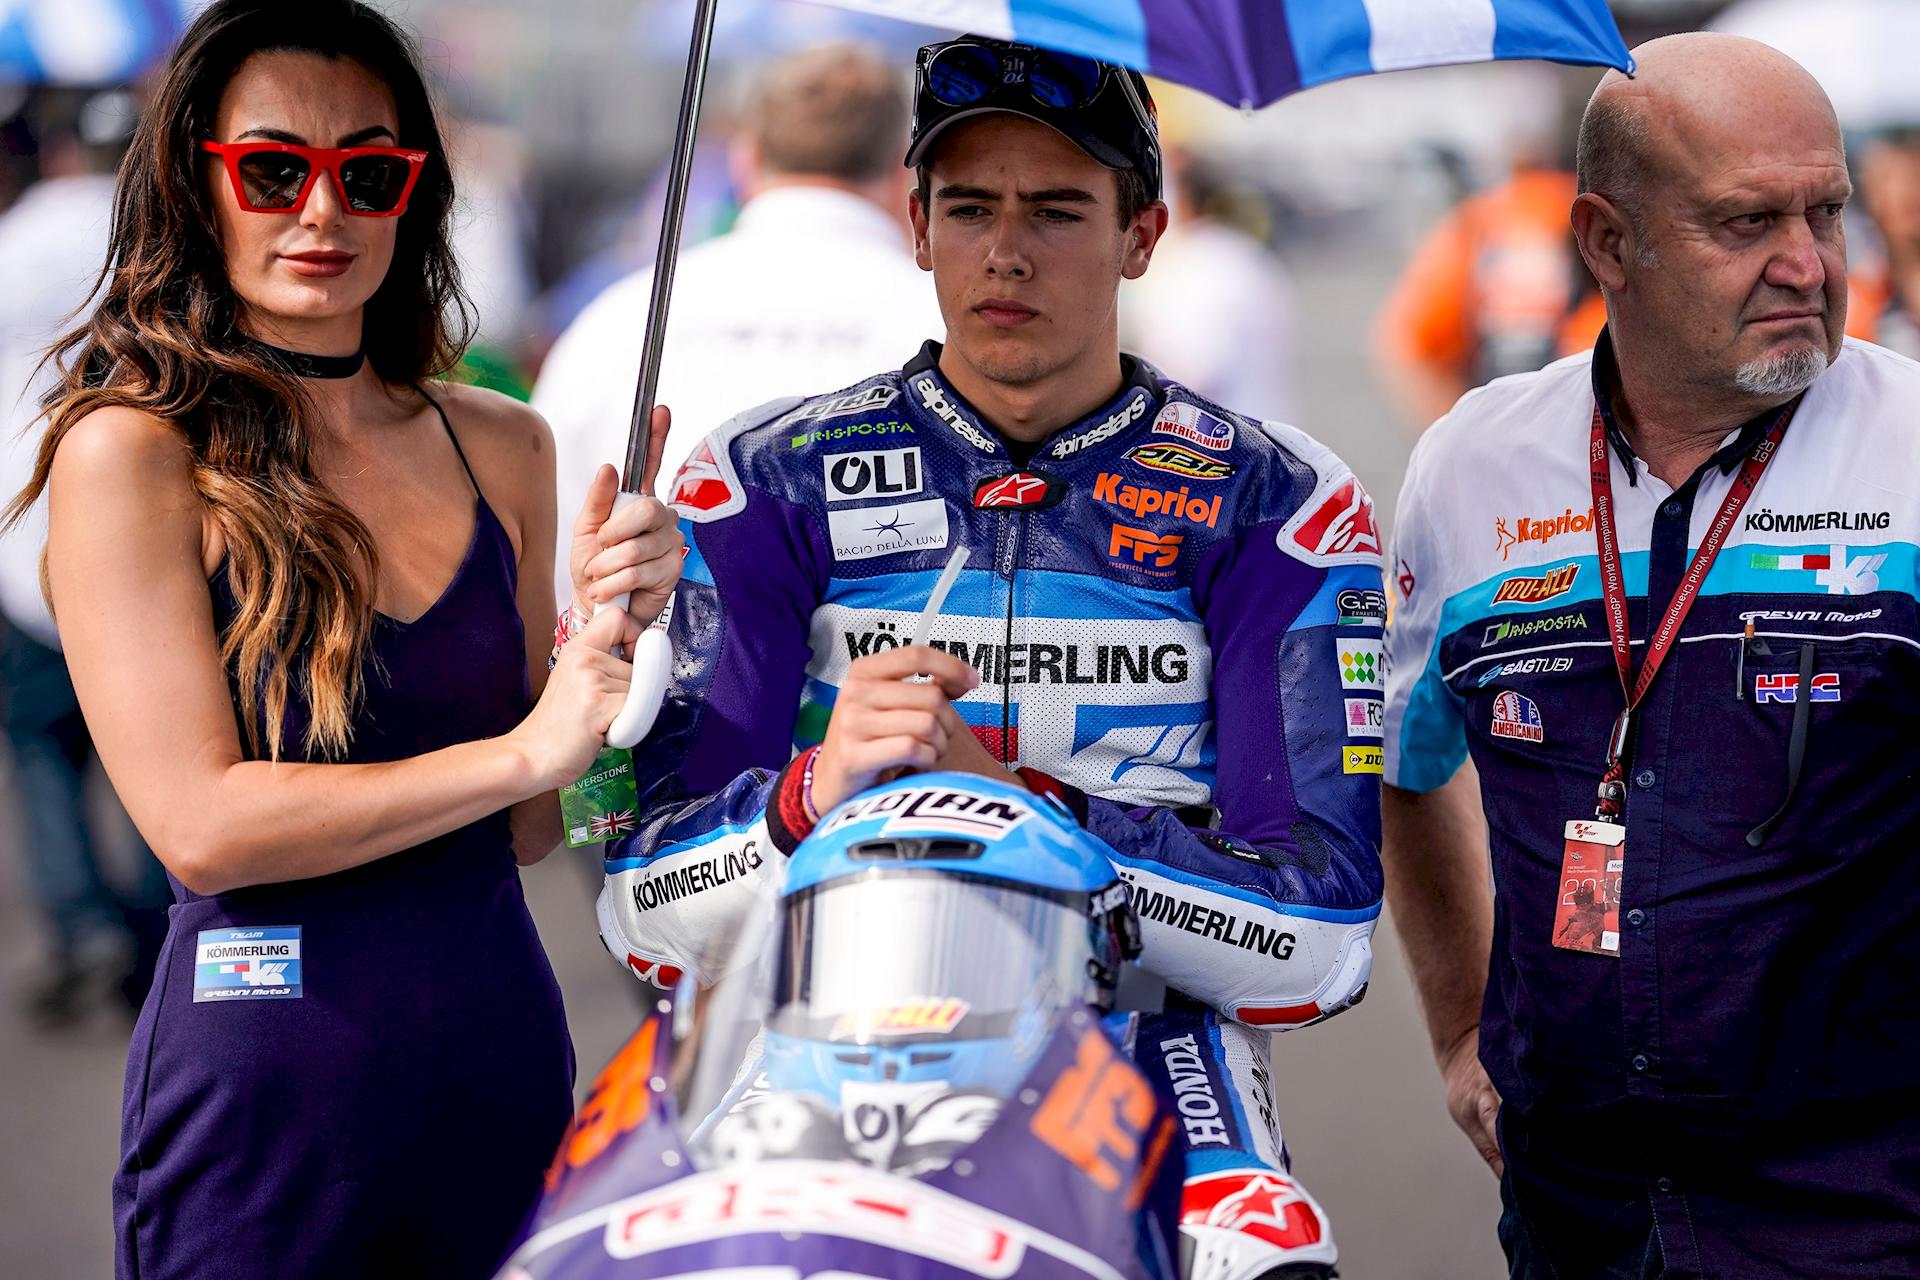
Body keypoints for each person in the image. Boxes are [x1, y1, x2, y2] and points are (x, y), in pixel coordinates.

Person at [570, 34, 1386, 1276]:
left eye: (1056, 210)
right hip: (812, 1040)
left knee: (1257, 1248)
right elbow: (644, 915)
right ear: (915, 224)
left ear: (1143, 235)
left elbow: (1319, 942)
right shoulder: (763, 478)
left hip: (1145, 1051)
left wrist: (1018, 811)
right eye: (969, 208)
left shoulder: (1275, 499)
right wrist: (813, 797)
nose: (1006, 252)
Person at [2, 3, 680, 1275]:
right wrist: (524, 748)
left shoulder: (503, 443)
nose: (321, 211)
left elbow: (533, 825)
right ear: (196, 181)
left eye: (367, 174)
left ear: (412, 194)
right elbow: (201, 825)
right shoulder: (133, 454)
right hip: (268, 1104)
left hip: (500, 1061)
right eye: (273, 169)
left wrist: (605, 632)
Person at [1382, 32, 1920, 1278]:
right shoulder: (1471, 464)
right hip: (1576, 1209)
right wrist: (1460, 1029)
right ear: (1607, 240)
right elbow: (1403, 760)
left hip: (1864, 1215)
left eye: (1825, 210)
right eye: (1748, 221)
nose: (1809, 263)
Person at [533, 40, 944, 593]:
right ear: (904, 168)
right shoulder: (944, 324)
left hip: (631, 643)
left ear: (743, 159)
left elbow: (551, 558)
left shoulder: (619, 320)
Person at [0, 86, 169, 1027]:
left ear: (63, 151)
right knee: (152, 741)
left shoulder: (17, 238)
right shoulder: (158, 234)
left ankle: (83, 926)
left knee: (43, 750)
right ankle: (153, 926)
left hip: (19, 537)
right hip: (148, 531)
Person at [1123, 148, 1298, 421]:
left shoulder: (1202, 265)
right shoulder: (1243, 254)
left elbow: (1192, 372)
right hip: (1257, 424)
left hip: (1217, 433)